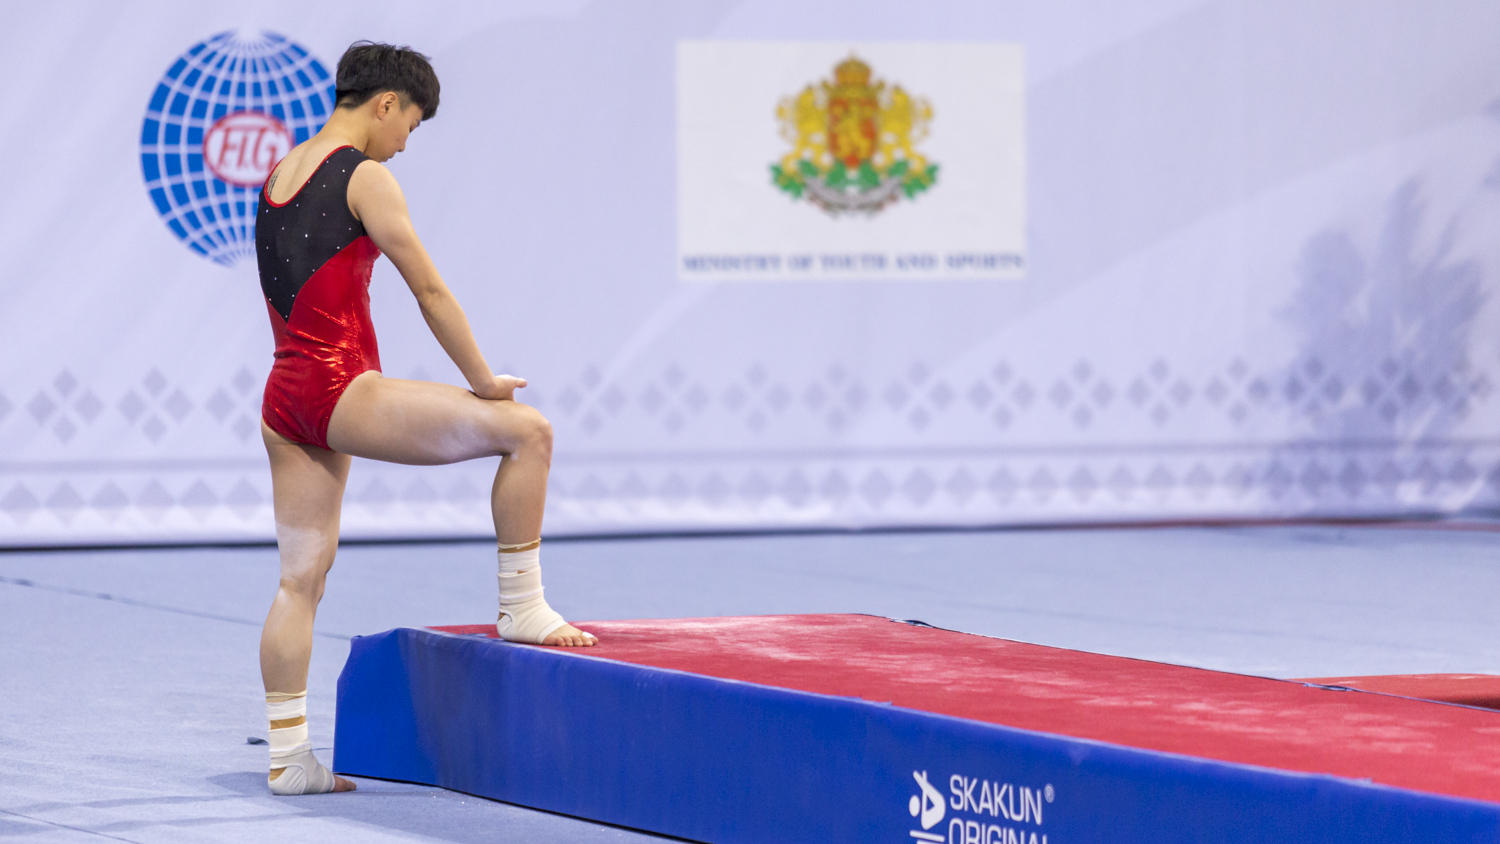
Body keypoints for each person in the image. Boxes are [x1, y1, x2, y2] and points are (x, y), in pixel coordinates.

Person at [254, 41, 595, 796]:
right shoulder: (365, 177)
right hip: (341, 388)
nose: (407, 141)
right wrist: (484, 382)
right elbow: (431, 292)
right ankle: (522, 607)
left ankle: (288, 758)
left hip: (286, 399)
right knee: (527, 431)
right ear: (384, 104)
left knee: (299, 581)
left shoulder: (278, 174)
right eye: (410, 122)